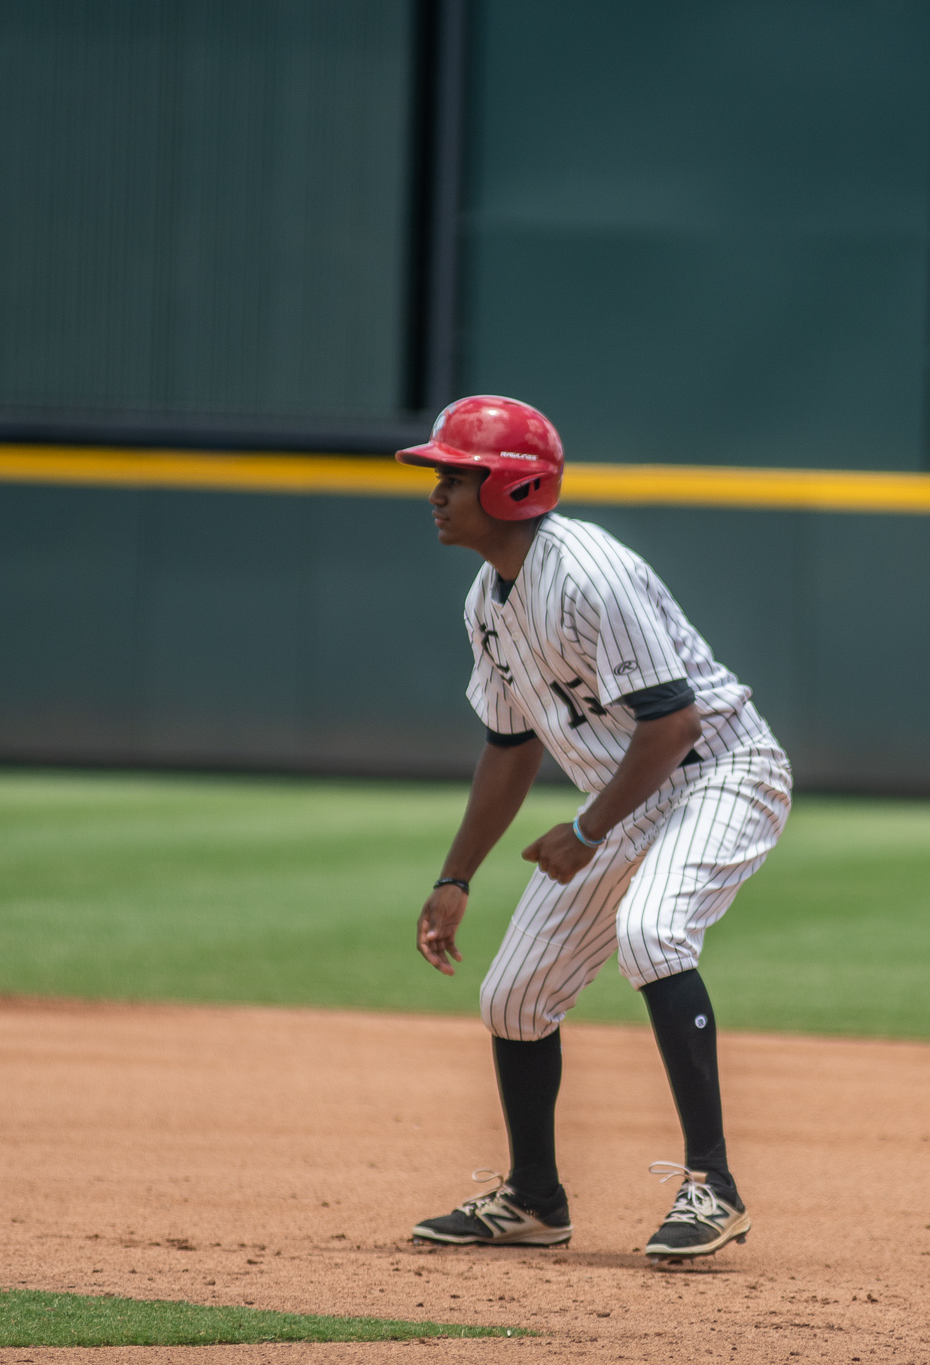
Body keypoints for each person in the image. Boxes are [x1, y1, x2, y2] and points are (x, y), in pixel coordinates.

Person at [399, 395, 791, 1266]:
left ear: (510, 487)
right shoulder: (486, 601)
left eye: (455, 476)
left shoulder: (588, 573)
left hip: (722, 773)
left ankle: (713, 1185)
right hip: (624, 796)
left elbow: (675, 724)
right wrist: (455, 877)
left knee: (652, 931)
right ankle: (533, 1199)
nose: (436, 493)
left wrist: (584, 828)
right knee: (512, 996)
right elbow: (510, 747)